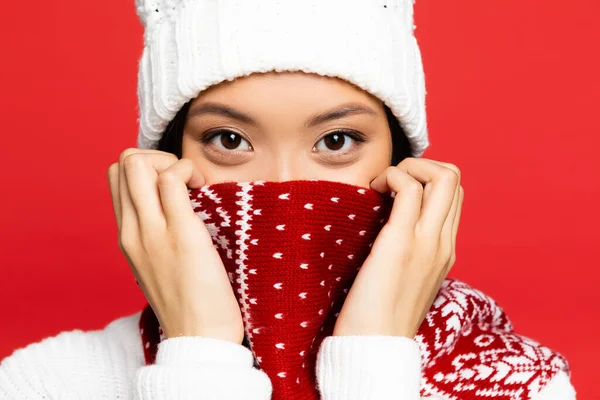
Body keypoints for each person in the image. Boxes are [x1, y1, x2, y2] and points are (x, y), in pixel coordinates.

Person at [0, 0, 576, 399]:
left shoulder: (517, 383)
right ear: (163, 166)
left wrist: (373, 351)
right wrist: (200, 350)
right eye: (229, 140)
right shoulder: (50, 383)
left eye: (336, 141)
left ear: (402, 167)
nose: (280, 185)